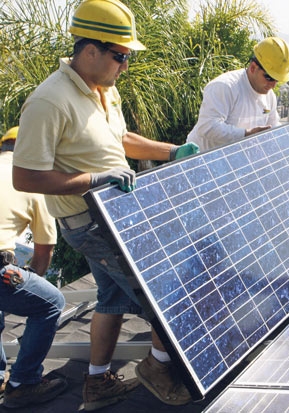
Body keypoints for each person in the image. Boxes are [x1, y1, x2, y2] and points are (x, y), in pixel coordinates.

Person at [11, 1, 199, 410]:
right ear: (90, 50)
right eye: (120, 56)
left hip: (118, 214)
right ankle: (158, 367)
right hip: (90, 222)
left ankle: (97, 384)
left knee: (112, 298)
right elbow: (25, 176)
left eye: (127, 57)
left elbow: (121, 138)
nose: (125, 66)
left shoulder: (103, 90)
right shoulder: (49, 101)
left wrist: (172, 151)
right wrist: (94, 181)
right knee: (165, 291)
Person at [0, 126, 67, 409]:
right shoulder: (31, 183)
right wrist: (27, 281)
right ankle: (23, 383)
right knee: (52, 302)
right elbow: (43, 254)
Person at [186, 36, 289, 152]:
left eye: (277, 80)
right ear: (253, 68)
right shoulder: (225, 87)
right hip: (202, 161)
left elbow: (273, 126)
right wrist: (246, 134)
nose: (273, 85)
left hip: (233, 161)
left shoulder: (269, 96)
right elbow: (207, 126)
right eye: (269, 78)